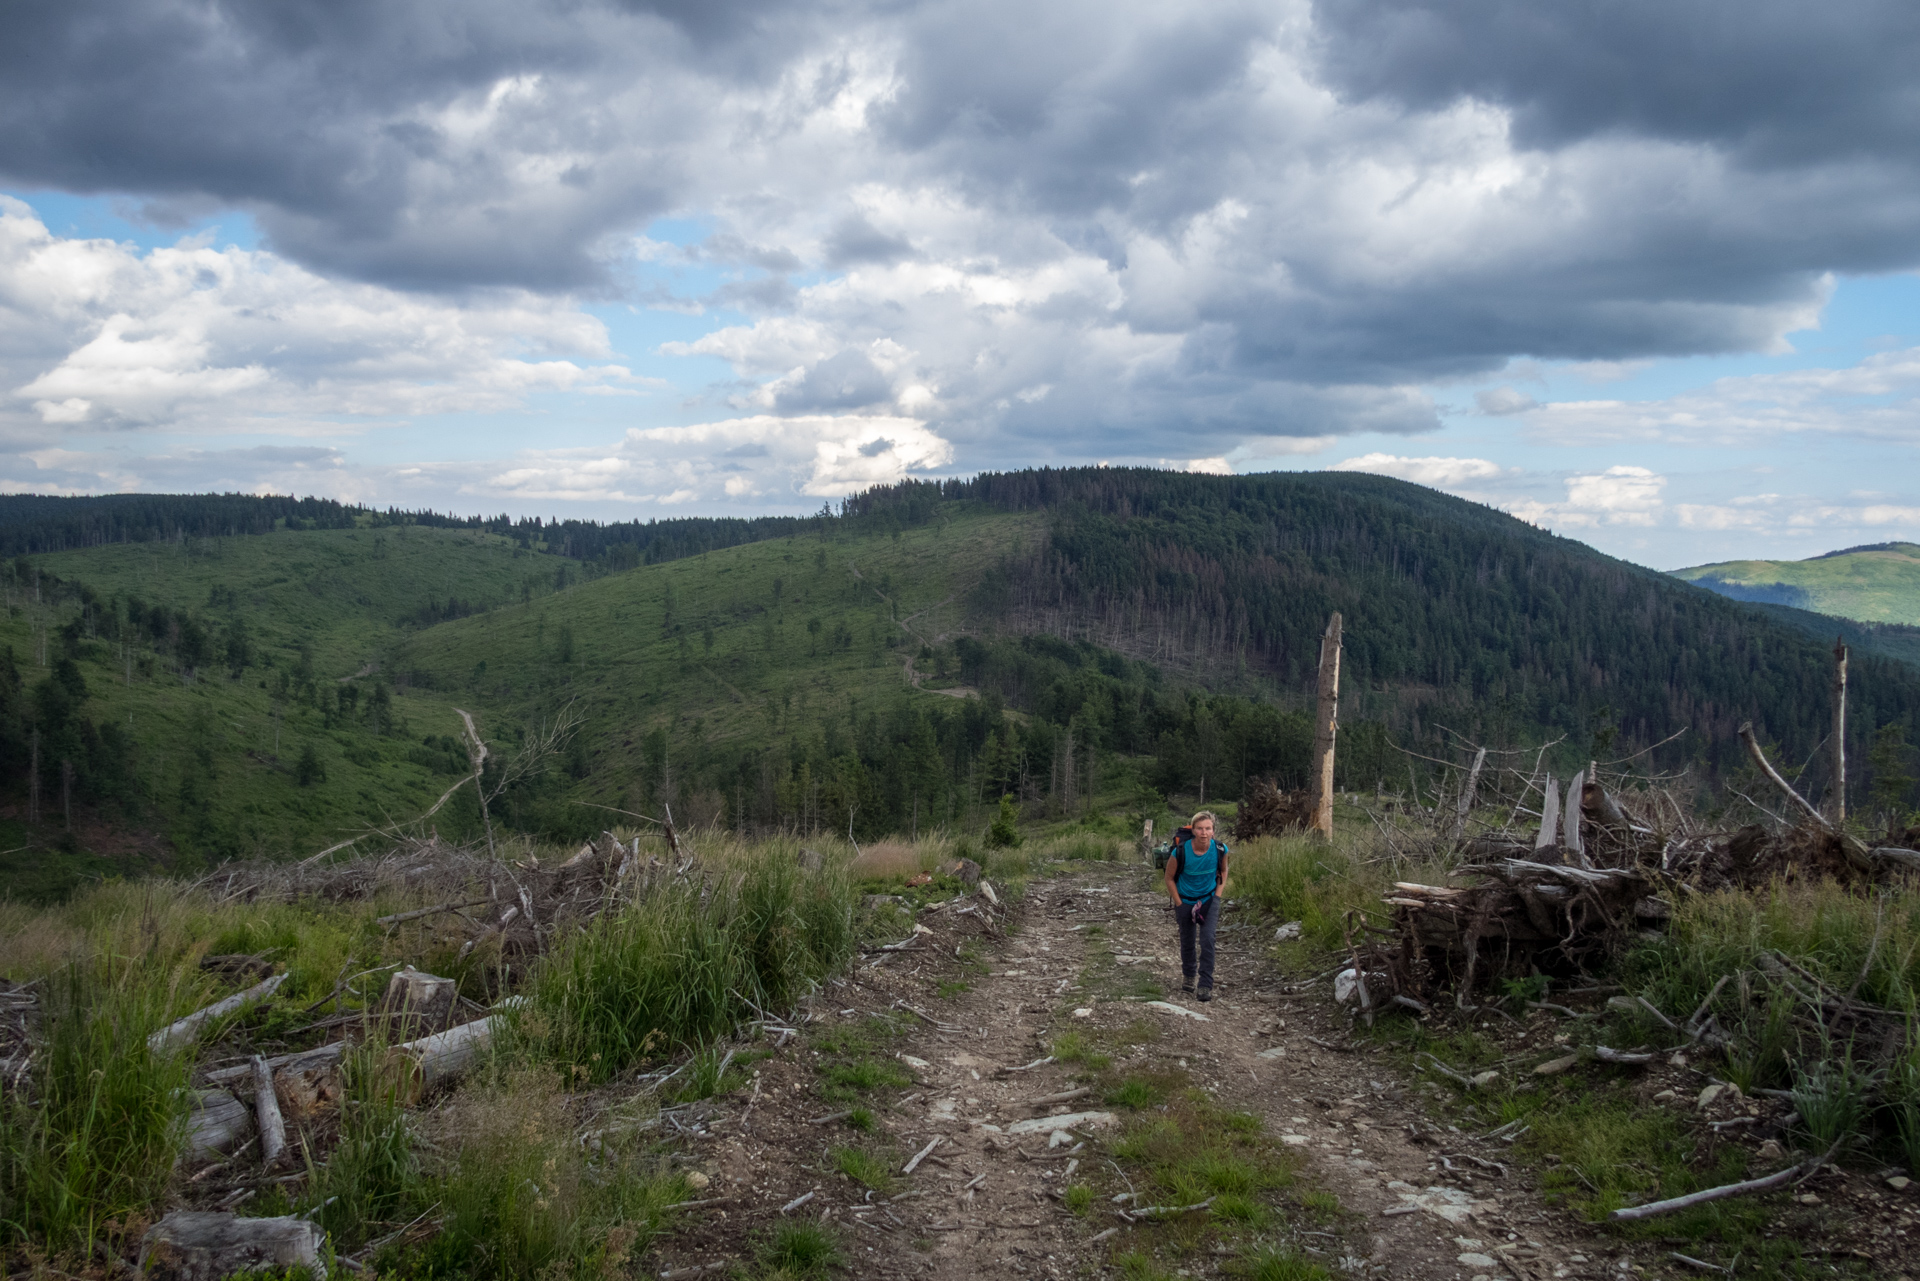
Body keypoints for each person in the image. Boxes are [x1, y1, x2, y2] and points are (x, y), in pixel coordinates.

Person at [1163, 809, 1228, 1001]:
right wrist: (1179, 903)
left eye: (1208, 828)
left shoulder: (1220, 849)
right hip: (1185, 900)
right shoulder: (1180, 852)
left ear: (1213, 831)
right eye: (1199, 828)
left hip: (1209, 899)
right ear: (1193, 830)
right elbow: (1168, 878)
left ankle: (1205, 985)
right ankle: (1189, 977)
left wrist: (1217, 896)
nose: (1204, 832)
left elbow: (1224, 871)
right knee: (1187, 941)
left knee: (1208, 940)